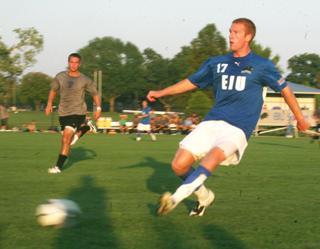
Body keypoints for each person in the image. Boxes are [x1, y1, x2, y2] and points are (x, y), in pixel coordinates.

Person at [147, 18, 310, 216]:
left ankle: (174, 199)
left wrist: (300, 118)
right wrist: (162, 92)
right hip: (212, 121)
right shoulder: (217, 63)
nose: (231, 36)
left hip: (238, 127)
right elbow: (192, 82)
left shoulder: (262, 65)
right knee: (179, 164)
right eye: (230, 32)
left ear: (248, 37)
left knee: (213, 156)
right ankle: (205, 196)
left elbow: (285, 90)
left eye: (236, 33)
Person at [45, 53, 101, 174]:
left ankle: (58, 167)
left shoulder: (85, 79)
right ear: (68, 62)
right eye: (72, 62)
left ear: (79, 64)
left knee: (65, 139)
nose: (74, 64)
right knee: (68, 140)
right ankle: (85, 128)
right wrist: (49, 104)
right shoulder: (60, 76)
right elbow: (53, 90)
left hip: (78, 112)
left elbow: (95, 93)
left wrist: (98, 108)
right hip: (63, 112)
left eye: (76, 62)